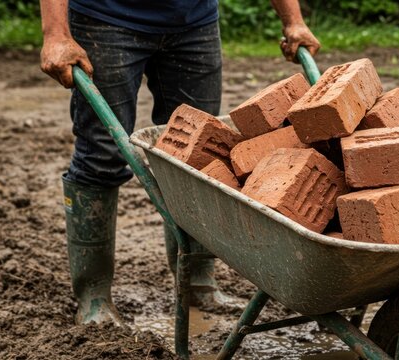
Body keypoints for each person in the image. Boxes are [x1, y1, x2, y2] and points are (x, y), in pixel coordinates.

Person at [39, 0, 320, 325]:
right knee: (102, 155)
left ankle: (197, 281)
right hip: (106, 20)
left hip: (194, 23)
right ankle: (94, 294)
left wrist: (293, 21)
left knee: (202, 154)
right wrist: (56, 34)